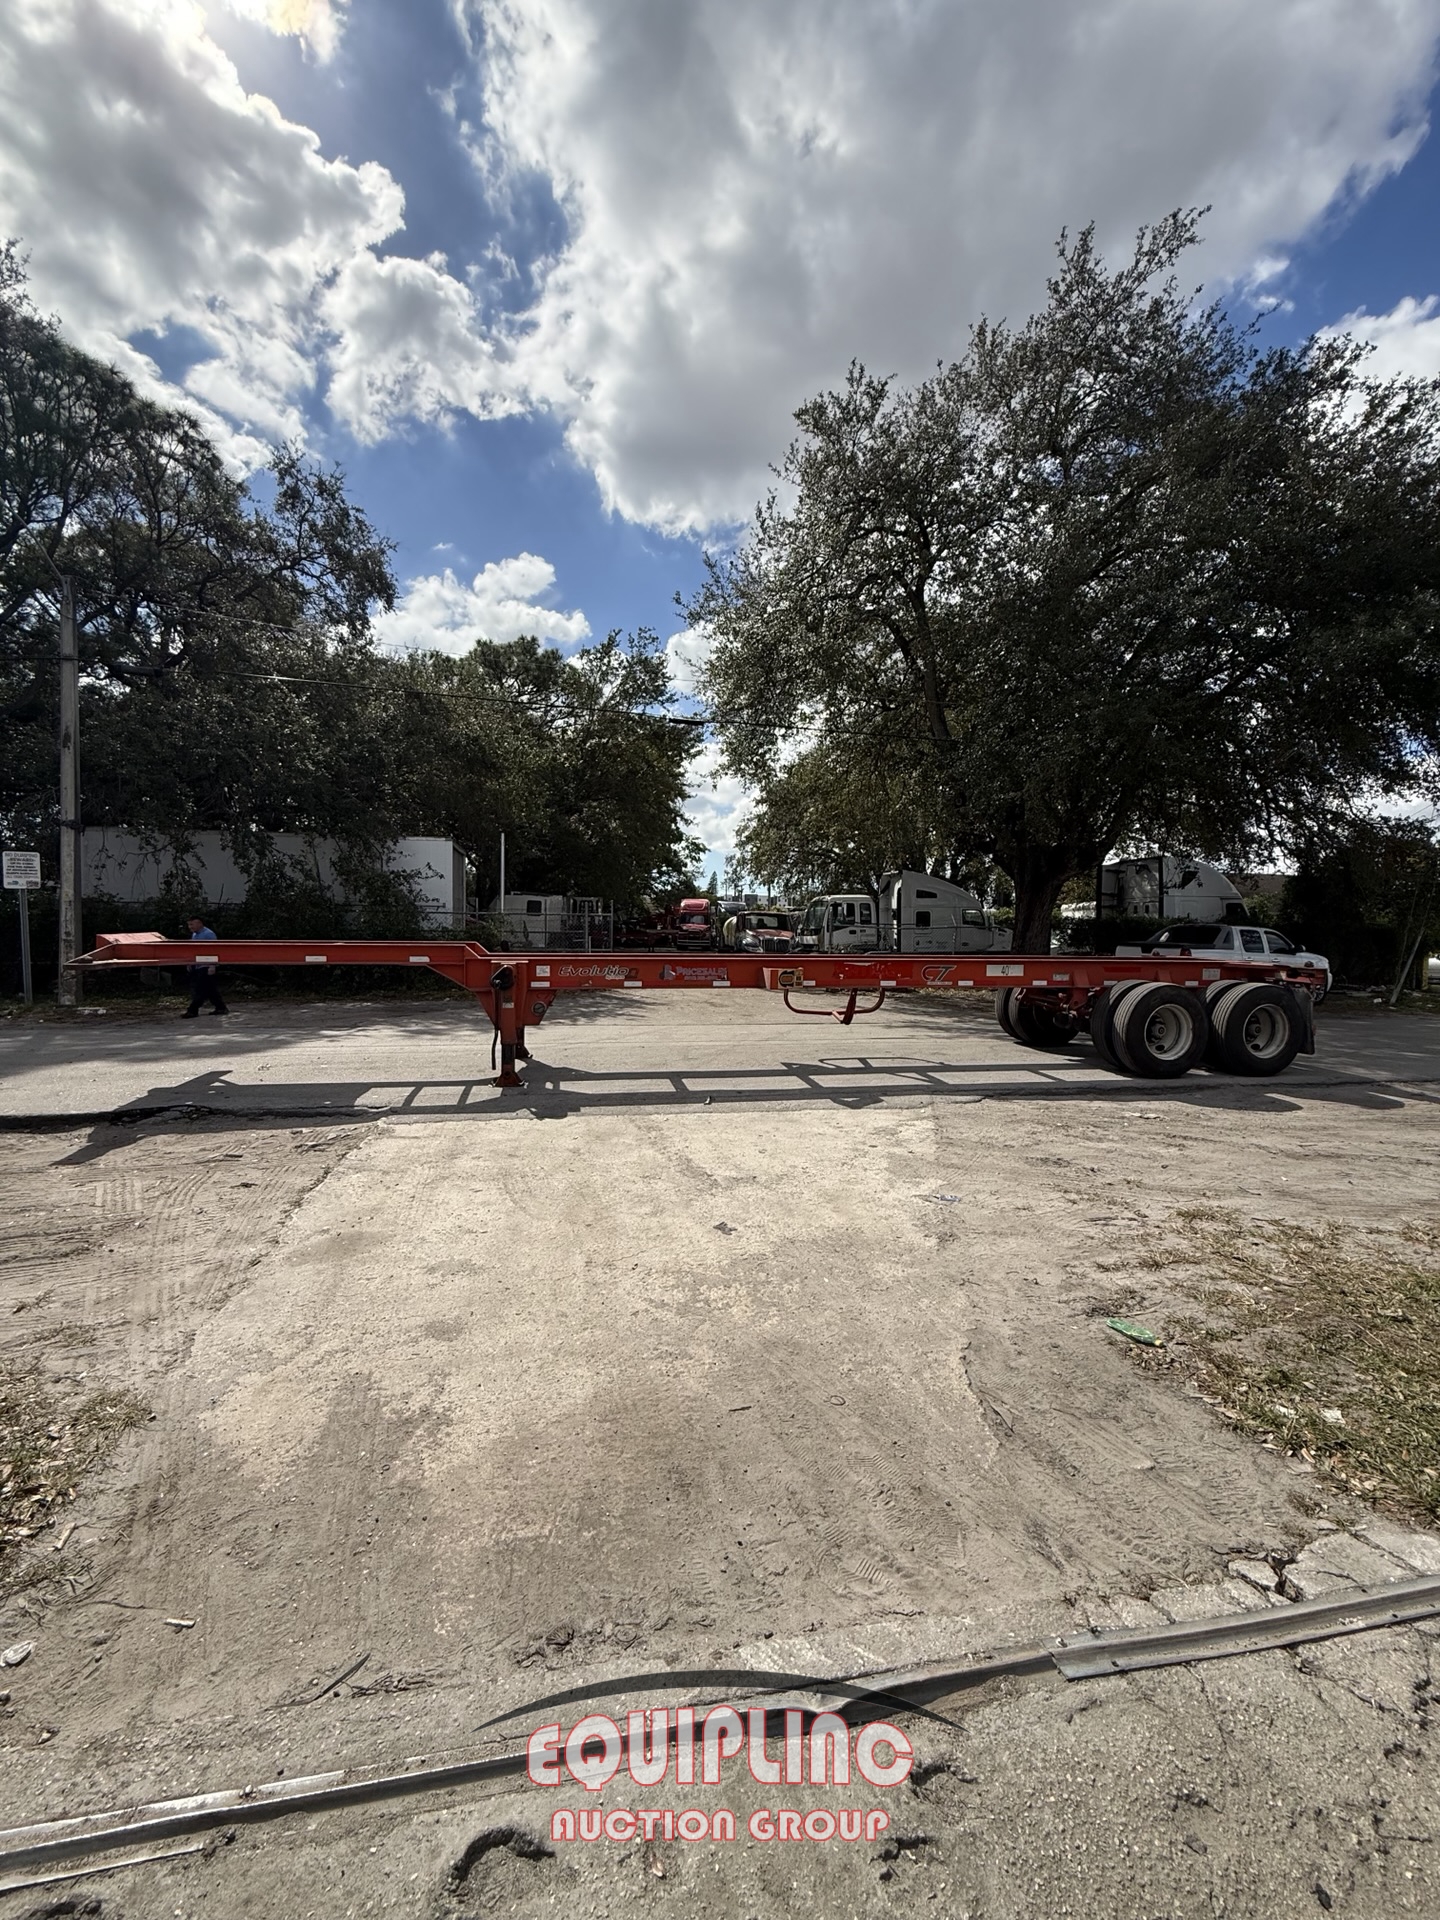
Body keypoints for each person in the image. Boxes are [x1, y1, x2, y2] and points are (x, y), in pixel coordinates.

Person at [182, 916, 228, 1018]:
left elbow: (214, 950)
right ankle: (220, 1007)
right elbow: (193, 950)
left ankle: (192, 1010)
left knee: (200, 989)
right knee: (210, 989)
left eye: (192, 924)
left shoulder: (208, 934)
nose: (190, 927)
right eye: (189, 924)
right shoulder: (195, 934)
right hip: (198, 965)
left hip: (206, 965)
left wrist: (212, 966)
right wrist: (190, 962)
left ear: (200, 923)